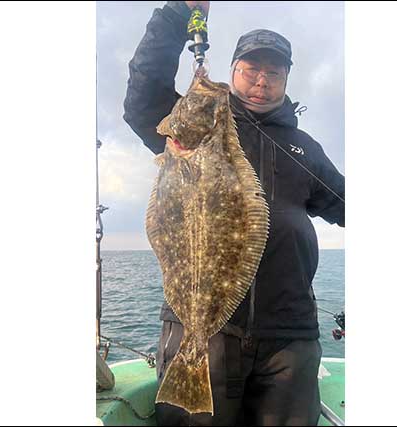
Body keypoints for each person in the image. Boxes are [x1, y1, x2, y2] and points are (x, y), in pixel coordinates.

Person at [123, 1, 345, 425]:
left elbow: (346, 202)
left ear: (285, 80)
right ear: (234, 70)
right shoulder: (195, 129)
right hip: (207, 329)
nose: (261, 81)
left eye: (273, 73)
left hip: (289, 332)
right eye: (250, 70)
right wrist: (177, 14)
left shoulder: (305, 149)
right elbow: (144, 94)